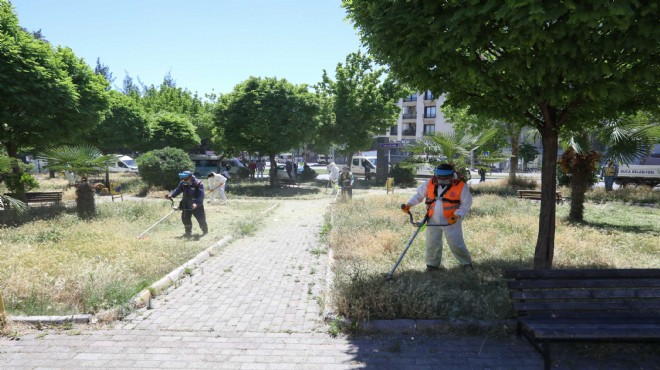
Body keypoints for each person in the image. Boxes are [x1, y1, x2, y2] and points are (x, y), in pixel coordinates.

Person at [402, 163, 474, 270]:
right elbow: (419, 195)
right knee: (432, 242)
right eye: (440, 176)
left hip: (451, 220)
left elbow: (467, 203)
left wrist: (458, 215)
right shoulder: (430, 183)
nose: (442, 179)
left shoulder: (460, 186)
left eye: (445, 177)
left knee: (456, 243)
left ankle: (466, 263)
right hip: (432, 219)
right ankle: (432, 265)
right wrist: (409, 204)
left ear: (452, 175)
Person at [165, 171, 208, 237]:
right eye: (182, 179)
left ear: (190, 177)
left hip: (197, 206)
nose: (183, 180)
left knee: (201, 219)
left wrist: (196, 203)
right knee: (185, 219)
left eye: (185, 179)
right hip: (186, 204)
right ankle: (188, 232)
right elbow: (178, 190)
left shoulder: (198, 183)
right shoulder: (183, 183)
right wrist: (171, 195)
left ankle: (205, 231)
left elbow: (201, 195)